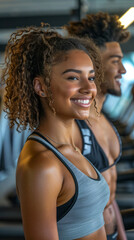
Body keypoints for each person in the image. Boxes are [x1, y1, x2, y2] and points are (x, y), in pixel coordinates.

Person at [1, 25, 110, 240]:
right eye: (73, 78)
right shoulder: (42, 164)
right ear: (40, 87)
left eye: (91, 77)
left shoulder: (72, 149)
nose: (89, 88)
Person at [66, 12, 130, 240]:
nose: (123, 70)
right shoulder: (72, 129)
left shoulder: (103, 122)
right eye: (115, 61)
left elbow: (109, 198)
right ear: (91, 65)